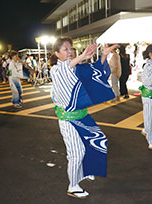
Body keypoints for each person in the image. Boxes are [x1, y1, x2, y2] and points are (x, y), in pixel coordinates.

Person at [49, 37, 118, 199]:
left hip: (82, 116)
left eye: (71, 48)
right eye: (65, 49)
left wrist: (103, 56)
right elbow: (67, 67)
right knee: (76, 152)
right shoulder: (56, 70)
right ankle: (73, 185)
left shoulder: (77, 68)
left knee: (96, 141)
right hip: (69, 119)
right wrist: (83, 56)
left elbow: (96, 70)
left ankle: (86, 171)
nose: (70, 52)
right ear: (56, 54)